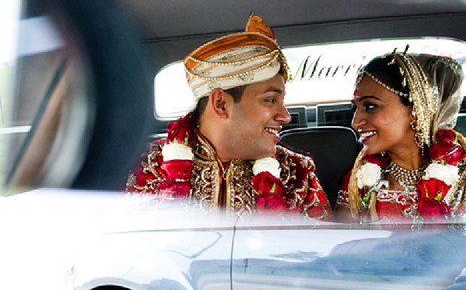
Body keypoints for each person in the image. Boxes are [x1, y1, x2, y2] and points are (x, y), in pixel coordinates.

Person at [127, 13, 331, 220]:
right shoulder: (146, 166)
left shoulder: (298, 174)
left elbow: (323, 250)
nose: (285, 116)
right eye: (270, 100)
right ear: (221, 104)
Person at [336, 49, 466, 230]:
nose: (355, 123)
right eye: (355, 108)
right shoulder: (358, 180)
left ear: (416, 109)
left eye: (370, 106)